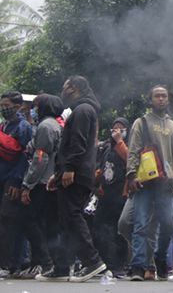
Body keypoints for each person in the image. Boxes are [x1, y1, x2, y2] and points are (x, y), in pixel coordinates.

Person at [37, 76, 107, 282]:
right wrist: (58, 174)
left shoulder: (83, 110)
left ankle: (92, 262)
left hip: (77, 173)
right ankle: (61, 267)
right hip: (73, 172)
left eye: (64, 87)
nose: (62, 91)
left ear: (74, 88)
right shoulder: (82, 110)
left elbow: (78, 143)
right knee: (65, 219)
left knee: (72, 216)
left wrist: (68, 169)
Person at [126, 85, 173, 281]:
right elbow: (133, 150)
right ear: (150, 100)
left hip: (166, 184)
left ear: (168, 100)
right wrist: (131, 175)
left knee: (168, 225)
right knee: (140, 224)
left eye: (164, 96)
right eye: (157, 96)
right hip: (145, 182)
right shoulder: (141, 123)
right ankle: (138, 267)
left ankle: (159, 257)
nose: (161, 99)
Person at [15, 94, 64, 279]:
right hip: (49, 181)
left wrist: (27, 184)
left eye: (35, 107)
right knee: (49, 224)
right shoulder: (54, 125)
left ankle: (46, 262)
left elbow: (40, 158)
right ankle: (51, 262)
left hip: (42, 182)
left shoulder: (45, 126)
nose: (33, 110)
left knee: (29, 220)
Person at [0, 91, 35, 276]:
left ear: (17, 105)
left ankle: (11, 264)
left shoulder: (24, 128)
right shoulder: (4, 126)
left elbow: (25, 156)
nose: (4, 108)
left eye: (7, 104)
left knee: (9, 221)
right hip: (2, 177)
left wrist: (16, 181)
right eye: (2, 104)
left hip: (12, 180)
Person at [93, 118, 129, 278]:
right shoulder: (106, 147)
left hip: (121, 194)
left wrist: (120, 141)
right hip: (105, 194)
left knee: (118, 231)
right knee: (101, 229)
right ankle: (104, 263)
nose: (117, 131)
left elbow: (130, 160)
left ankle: (118, 266)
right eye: (115, 129)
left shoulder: (128, 146)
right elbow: (100, 165)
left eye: (121, 129)